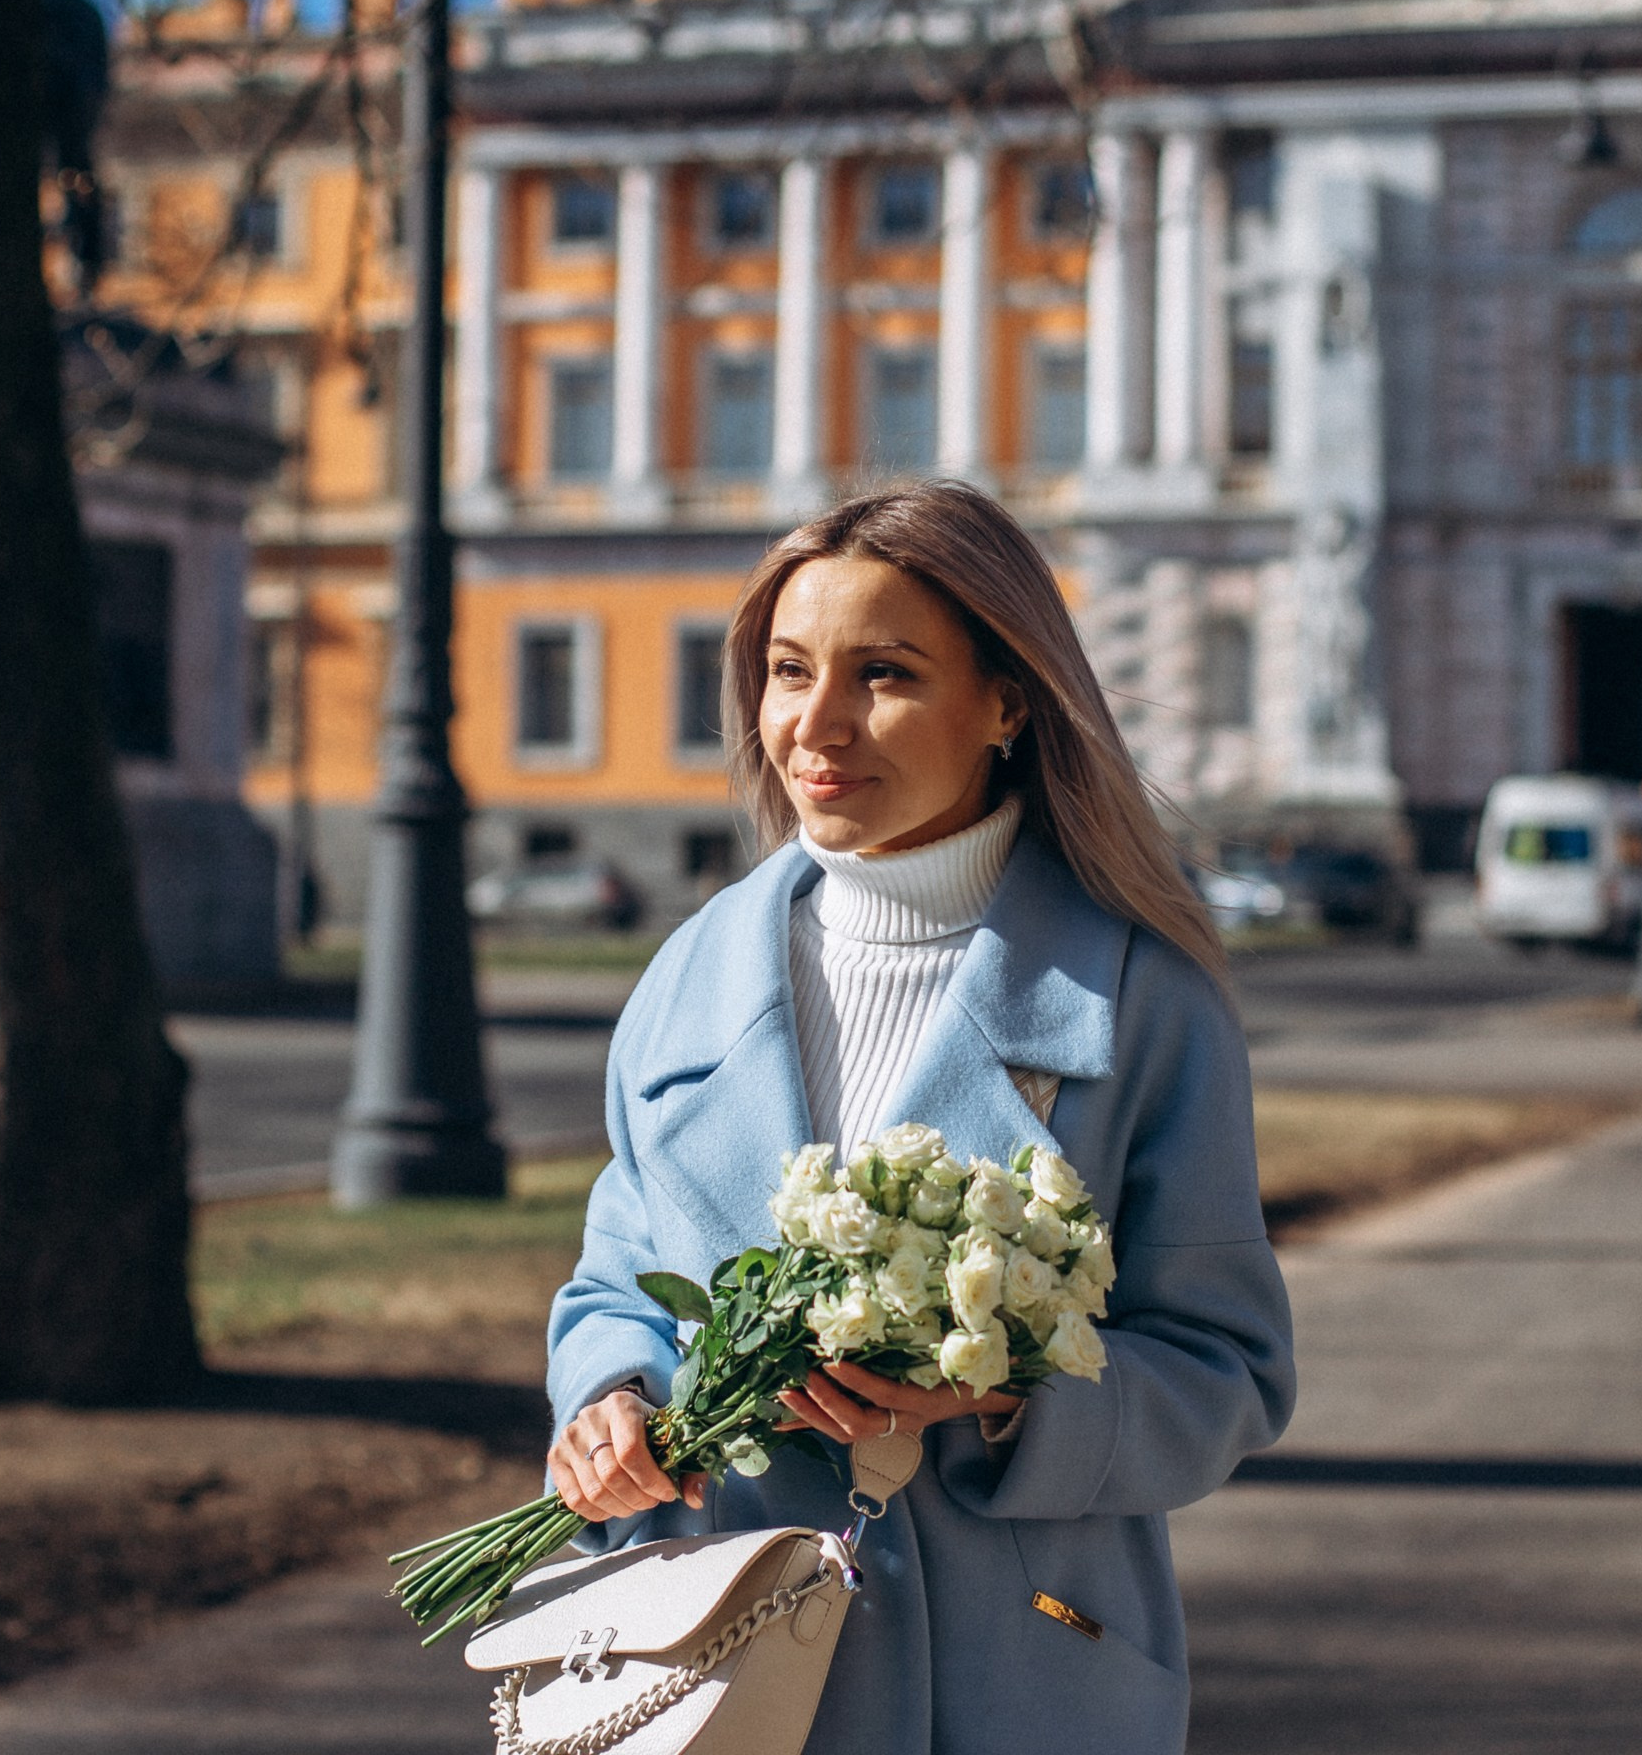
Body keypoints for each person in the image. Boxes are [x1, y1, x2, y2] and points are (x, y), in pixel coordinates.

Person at [544, 482, 1295, 1755]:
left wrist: (1002, 1406)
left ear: (1008, 701)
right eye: (788, 671)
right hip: (709, 1670)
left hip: (1017, 1678)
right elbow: (616, 1281)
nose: (816, 725)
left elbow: (1231, 1372)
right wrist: (607, 1402)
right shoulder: (691, 975)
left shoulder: (1138, 997)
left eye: (883, 674)